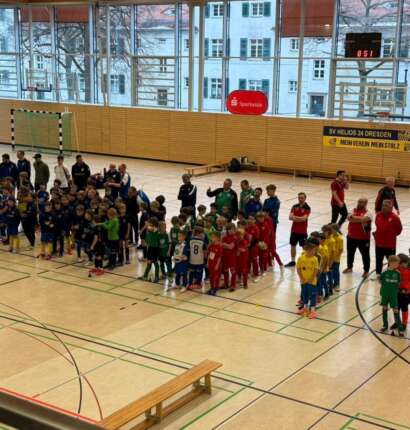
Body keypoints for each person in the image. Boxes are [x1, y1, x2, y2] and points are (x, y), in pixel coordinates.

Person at [343, 198, 372, 278]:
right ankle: (349, 267)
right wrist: (359, 219)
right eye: (359, 202)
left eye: (361, 202)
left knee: (365, 255)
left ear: (366, 203)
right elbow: (349, 218)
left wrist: (354, 218)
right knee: (350, 253)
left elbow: (363, 219)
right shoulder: (353, 210)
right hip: (351, 237)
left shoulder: (369, 212)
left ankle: (366, 271)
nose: (359, 203)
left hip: (363, 238)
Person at [374, 200, 402, 276]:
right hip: (379, 243)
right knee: (378, 260)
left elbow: (399, 230)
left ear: (391, 208)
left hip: (390, 245)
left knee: (391, 261)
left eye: (386, 206)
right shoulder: (378, 215)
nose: (383, 207)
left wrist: (391, 236)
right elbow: (377, 225)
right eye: (383, 205)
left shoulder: (395, 218)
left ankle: (390, 274)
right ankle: (378, 274)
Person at [285, 192, 311, 267]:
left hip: (302, 231)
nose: (300, 199)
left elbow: (304, 219)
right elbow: (290, 217)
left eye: (302, 198)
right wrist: (299, 218)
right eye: (299, 198)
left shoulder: (307, 208)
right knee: (293, 245)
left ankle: (306, 261)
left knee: (304, 247)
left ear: (305, 198)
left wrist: (295, 218)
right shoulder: (294, 206)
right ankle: (293, 261)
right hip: (294, 230)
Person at [380, 255, 403, 336]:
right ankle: (385, 325)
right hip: (385, 294)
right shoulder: (384, 272)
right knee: (384, 308)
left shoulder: (397, 273)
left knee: (396, 310)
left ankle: (400, 329)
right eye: (396, 263)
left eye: (398, 263)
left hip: (393, 295)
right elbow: (380, 281)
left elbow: (399, 283)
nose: (397, 265)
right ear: (390, 263)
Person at [297, 241, 319, 319]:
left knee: (312, 295)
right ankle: (305, 308)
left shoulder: (315, 259)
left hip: (312, 282)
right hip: (303, 281)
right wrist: (301, 278)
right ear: (307, 250)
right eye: (312, 250)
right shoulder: (301, 258)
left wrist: (311, 278)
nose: (314, 252)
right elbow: (298, 269)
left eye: (314, 250)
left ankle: (313, 311)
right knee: (304, 294)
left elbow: (316, 270)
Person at [141, 218, 160, 282]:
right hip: (150, 248)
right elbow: (147, 239)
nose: (149, 225)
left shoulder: (155, 230)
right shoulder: (148, 231)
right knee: (149, 262)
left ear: (154, 225)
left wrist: (146, 226)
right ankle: (145, 276)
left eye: (150, 224)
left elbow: (152, 229)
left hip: (155, 249)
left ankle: (157, 277)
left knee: (155, 262)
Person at [396, 254, 410, 332]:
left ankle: (404, 323)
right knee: (396, 308)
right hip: (397, 293)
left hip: (406, 294)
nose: (407, 264)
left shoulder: (408, 271)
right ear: (400, 263)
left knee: (404, 308)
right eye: (405, 263)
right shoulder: (396, 270)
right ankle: (397, 322)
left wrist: (406, 289)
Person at [222, 223, 237, 291]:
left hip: (232, 257)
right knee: (225, 270)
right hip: (225, 256)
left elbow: (231, 247)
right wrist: (227, 245)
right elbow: (221, 245)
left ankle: (233, 285)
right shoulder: (224, 237)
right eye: (229, 229)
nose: (230, 231)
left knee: (233, 271)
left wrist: (225, 245)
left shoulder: (235, 238)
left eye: (232, 229)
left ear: (234, 229)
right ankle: (226, 283)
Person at [330, 224, 343, 292]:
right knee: (330, 272)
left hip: (336, 259)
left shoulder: (340, 238)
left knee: (336, 272)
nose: (331, 231)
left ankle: (337, 284)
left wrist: (336, 257)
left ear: (336, 230)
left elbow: (341, 249)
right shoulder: (330, 236)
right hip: (330, 258)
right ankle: (331, 283)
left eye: (332, 230)